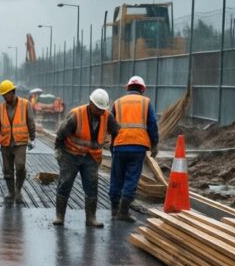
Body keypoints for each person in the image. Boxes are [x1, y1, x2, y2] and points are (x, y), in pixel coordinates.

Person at [53, 89, 119, 228]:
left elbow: (116, 130)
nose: (101, 111)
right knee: (65, 183)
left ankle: (91, 218)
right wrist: (58, 151)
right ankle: (60, 216)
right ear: (91, 103)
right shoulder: (76, 115)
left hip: (91, 157)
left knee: (92, 187)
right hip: (70, 155)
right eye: (99, 108)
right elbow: (61, 133)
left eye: (103, 108)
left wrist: (113, 145)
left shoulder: (107, 116)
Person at [109, 76, 159, 222]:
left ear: (128, 88)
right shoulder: (146, 102)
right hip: (138, 147)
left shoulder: (117, 102)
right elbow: (152, 124)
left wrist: (113, 145)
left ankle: (114, 210)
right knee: (131, 178)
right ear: (142, 89)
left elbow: (111, 125)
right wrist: (154, 144)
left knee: (116, 177)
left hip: (119, 145)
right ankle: (123, 212)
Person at [0, 80, 36, 202]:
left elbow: (30, 121)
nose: (4, 96)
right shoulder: (1, 107)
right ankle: (11, 192)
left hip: (20, 142)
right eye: (3, 95)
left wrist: (32, 138)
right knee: (7, 170)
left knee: (20, 166)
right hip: (5, 142)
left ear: (12, 92)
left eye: (6, 94)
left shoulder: (25, 104)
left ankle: (18, 189)